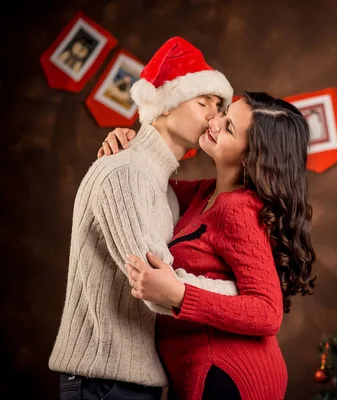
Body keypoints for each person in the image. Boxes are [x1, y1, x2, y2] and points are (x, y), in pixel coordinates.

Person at [49, 36, 238, 400]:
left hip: (133, 381)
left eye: (219, 108)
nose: (215, 118)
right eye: (205, 103)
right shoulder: (125, 172)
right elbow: (156, 287)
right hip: (103, 382)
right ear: (165, 105)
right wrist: (240, 296)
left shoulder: (161, 185)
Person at [100, 91, 317, 400]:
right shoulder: (205, 193)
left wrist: (177, 294)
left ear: (252, 157)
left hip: (230, 378)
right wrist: (129, 146)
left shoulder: (238, 210)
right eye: (223, 114)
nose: (213, 122)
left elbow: (268, 312)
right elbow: (143, 182)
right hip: (197, 373)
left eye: (228, 127)